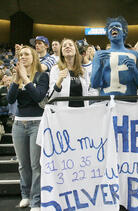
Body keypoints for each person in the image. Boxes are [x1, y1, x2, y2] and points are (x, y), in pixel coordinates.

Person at [7, 45, 49, 211]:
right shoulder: (18, 76)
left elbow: (38, 96)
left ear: (33, 57)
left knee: (35, 165)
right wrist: (17, 79)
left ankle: (36, 201)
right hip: (18, 124)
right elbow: (10, 100)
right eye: (20, 55)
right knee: (23, 165)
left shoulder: (42, 76)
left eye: (26, 54)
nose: (22, 57)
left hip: (37, 123)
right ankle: (25, 195)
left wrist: (26, 79)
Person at [91, 16, 138, 96]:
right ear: (108, 35)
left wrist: (134, 70)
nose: (113, 27)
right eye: (110, 27)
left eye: (117, 26)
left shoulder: (136, 54)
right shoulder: (99, 55)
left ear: (124, 32)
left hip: (130, 103)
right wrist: (99, 68)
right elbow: (94, 85)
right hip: (107, 103)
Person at [49, 38, 89, 107]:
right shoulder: (55, 69)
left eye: (70, 45)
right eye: (64, 46)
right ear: (61, 52)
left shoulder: (83, 71)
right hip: (64, 113)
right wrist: (59, 82)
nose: (67, 46)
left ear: (76, 51)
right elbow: (51, 98)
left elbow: (89, 92)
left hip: (82, 111)